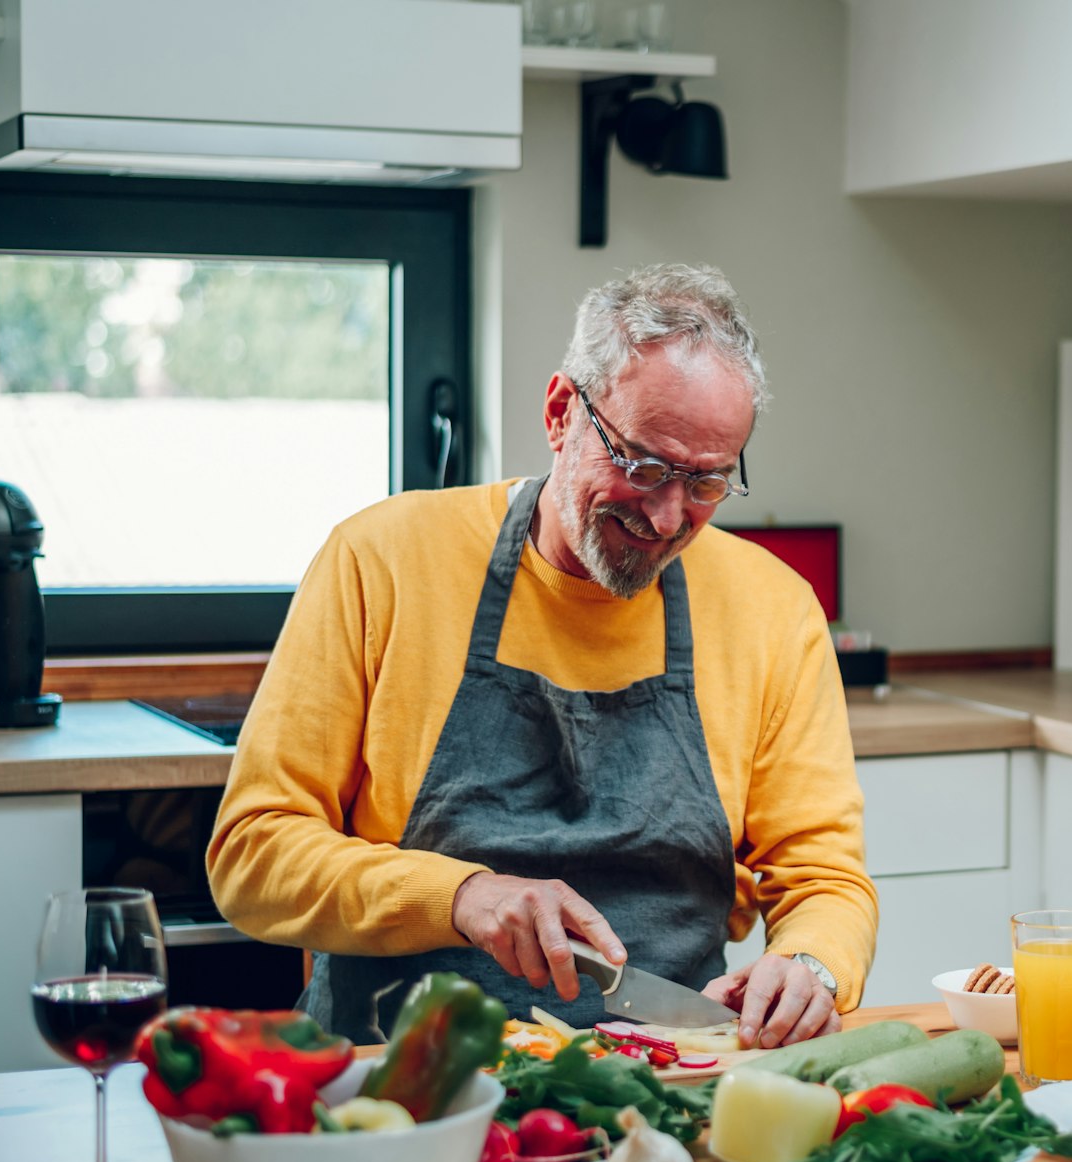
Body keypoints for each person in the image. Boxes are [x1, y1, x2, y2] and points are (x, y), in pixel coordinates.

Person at [208, 263, 876, 1049]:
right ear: (562, 411)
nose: (666, 516)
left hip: (670, 1074)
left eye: (704, 482)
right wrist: (461, 895)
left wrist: (811, 966)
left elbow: (825, 878)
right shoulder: (382, 560)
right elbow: (253, 853)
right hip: (392, 1075)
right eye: (643, 465)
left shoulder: (773, 607)